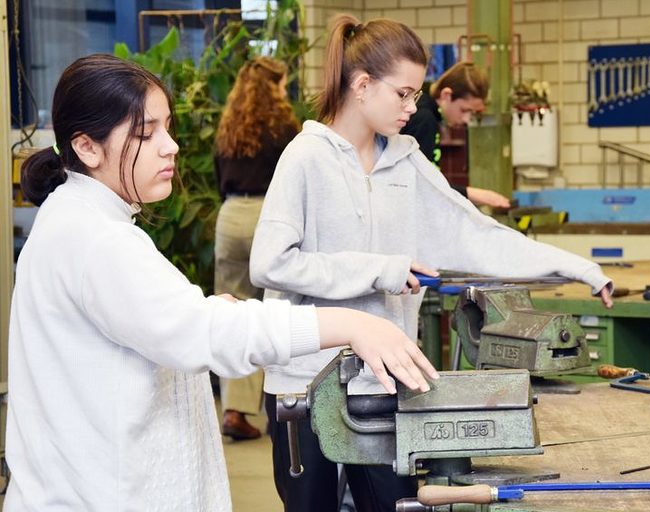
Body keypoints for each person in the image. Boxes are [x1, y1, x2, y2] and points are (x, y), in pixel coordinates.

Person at [5, 53, 437, 512]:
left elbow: (168, 322)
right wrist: (353, 325)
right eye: (145, 133)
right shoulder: (95, 239)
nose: (170, 146)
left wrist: (208, 312)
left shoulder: (81, 222)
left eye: (167, 128)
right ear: (88, 148)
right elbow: (203, 333)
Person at [249, 14, 613, 512]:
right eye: (402, 93)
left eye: (416, 94)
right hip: (305, 386)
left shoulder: (407, 161)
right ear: (361, 85)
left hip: (384, 384)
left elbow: (475, 233)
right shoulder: (305, 158)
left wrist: (574, 267)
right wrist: (381, 268)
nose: (411, 106)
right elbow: (270, 264)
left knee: (396, 506)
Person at [213, 57, 300, 440]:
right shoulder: (284, 127)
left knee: (232, 311)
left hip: (230, 215)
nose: (285, 91)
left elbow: (218, 175)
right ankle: (284, 401)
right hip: (268, 215)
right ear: (275, 86)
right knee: (277, 309)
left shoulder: (229, 124)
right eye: (283, 85)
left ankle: (234, 409)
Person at [401, 60, 511, 209]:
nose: (466, 120)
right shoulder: (424, 119)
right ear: (447, 95)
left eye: (472, 113)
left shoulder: (429, 113)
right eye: (464, 110)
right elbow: (420, 182)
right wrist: (474, 194)